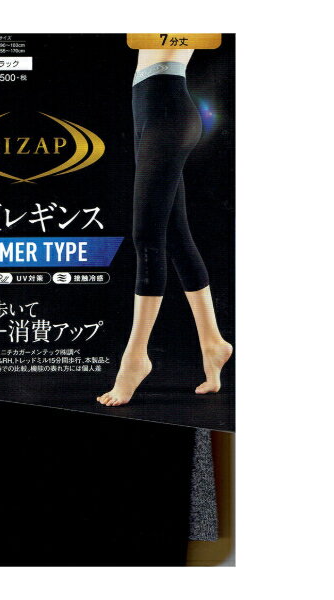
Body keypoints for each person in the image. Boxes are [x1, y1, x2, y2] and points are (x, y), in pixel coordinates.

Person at [97, 48, 232, 407]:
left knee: (147, 237)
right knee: (174, 234)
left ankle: (135, 357)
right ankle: (212, 342)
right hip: (148, 106)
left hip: (166, 109)